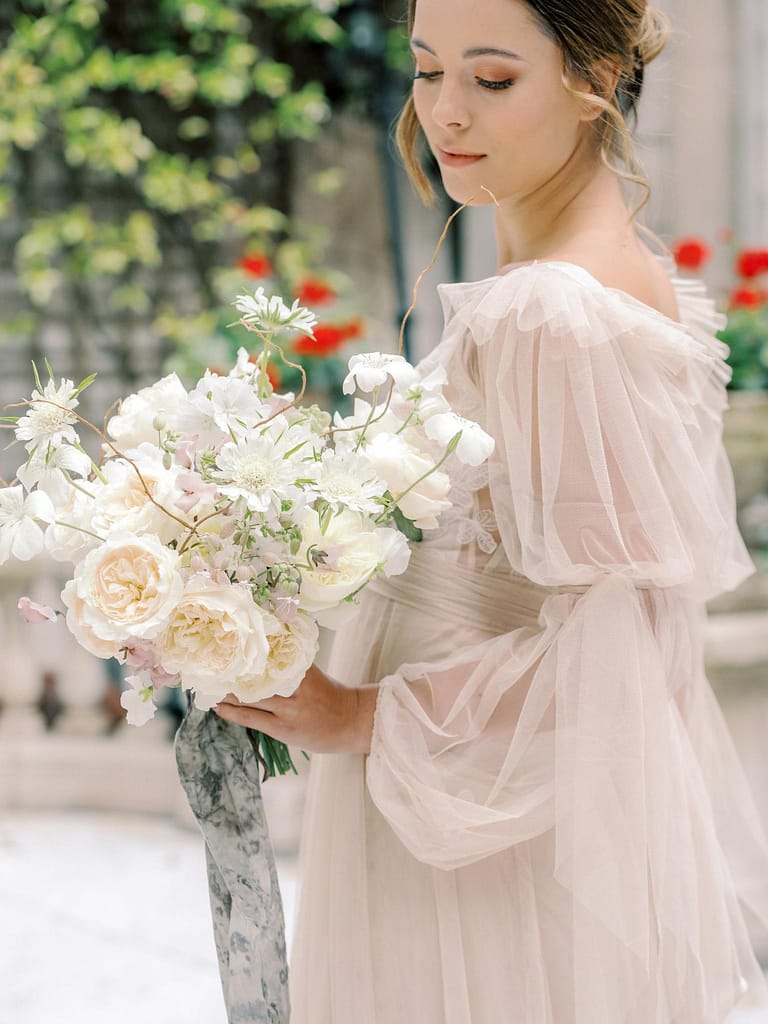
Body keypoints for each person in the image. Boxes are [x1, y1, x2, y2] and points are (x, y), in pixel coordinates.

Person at [213, 0, 768, 1020]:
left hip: (480, 830)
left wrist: (365, 713)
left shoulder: (553, 312)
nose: (445, 113)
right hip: (472, 798)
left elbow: (619, 646)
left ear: (593, 75)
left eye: (493, 78)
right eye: (427, 71)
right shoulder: (598, 278)